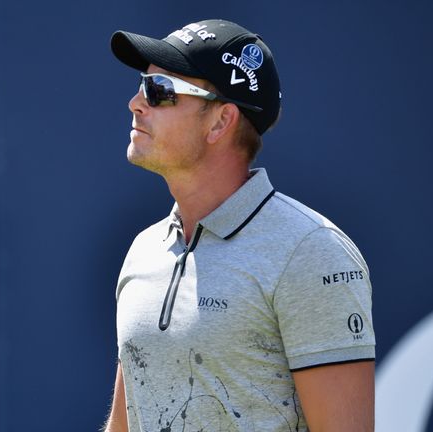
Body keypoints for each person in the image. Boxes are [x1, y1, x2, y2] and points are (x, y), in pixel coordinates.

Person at [103, 19, 375, 432]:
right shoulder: (144, 250)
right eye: (143, 85)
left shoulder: (311, 251)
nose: (136, 103)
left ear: (220, 122)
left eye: (159, 92)